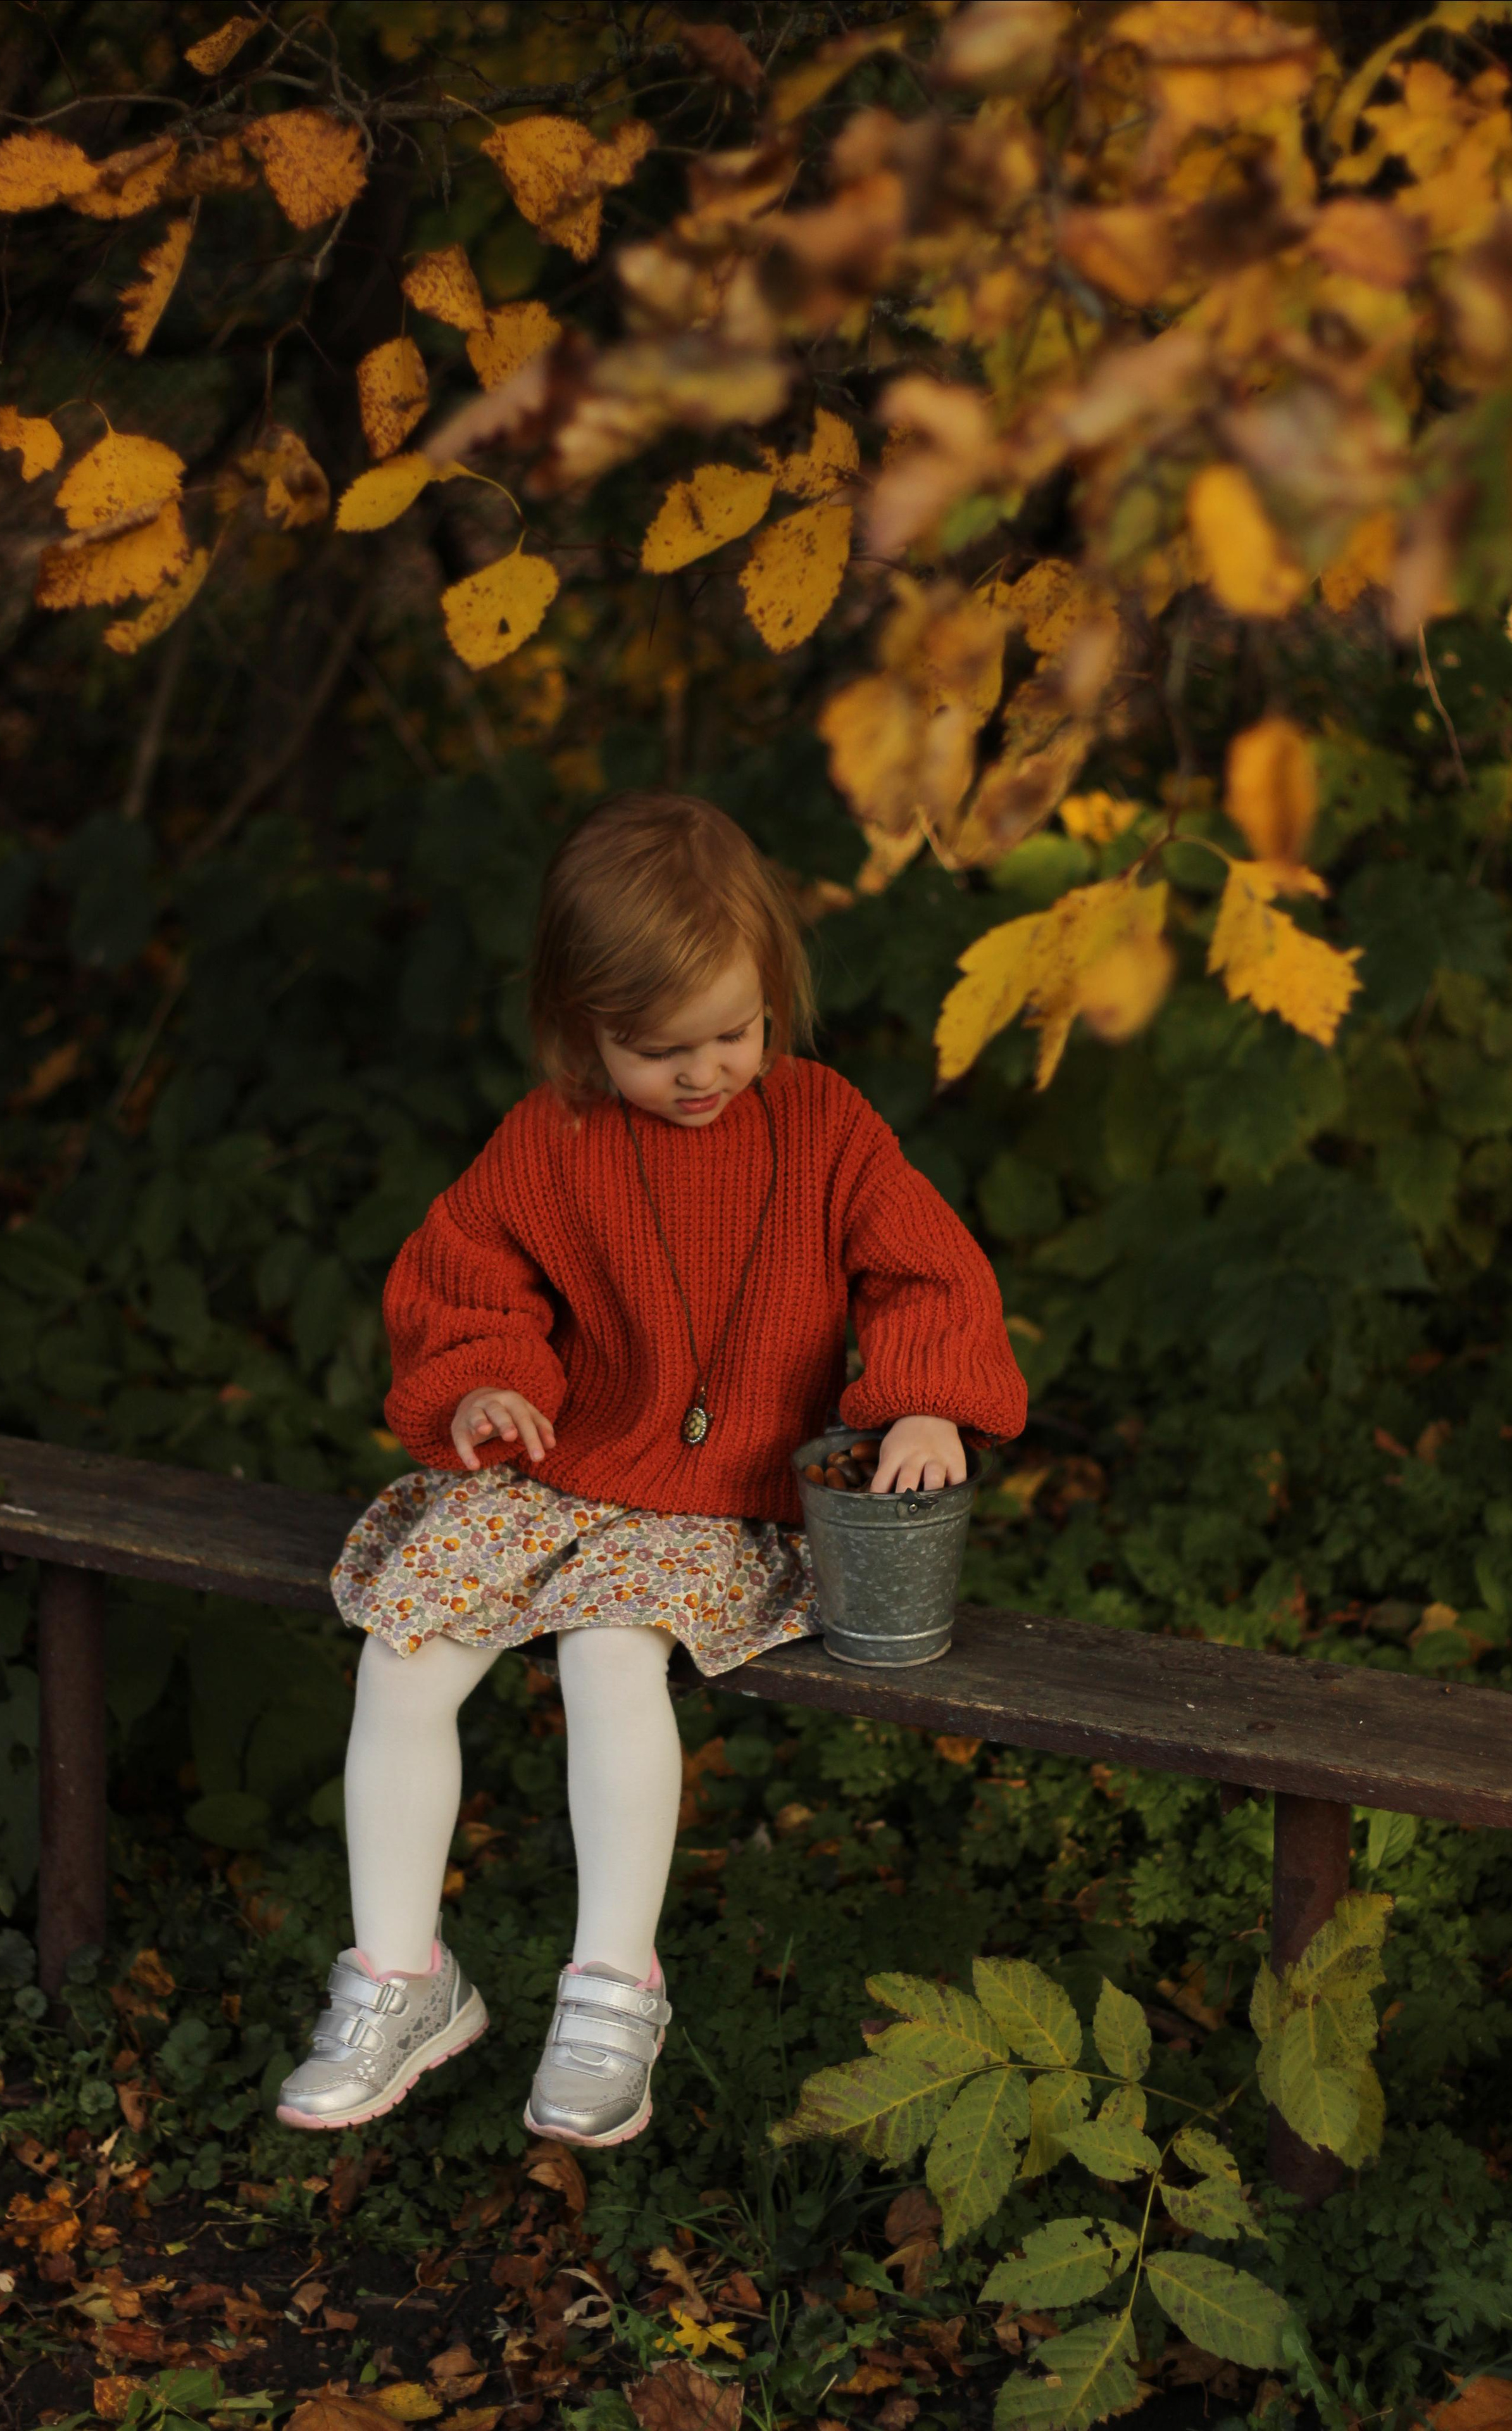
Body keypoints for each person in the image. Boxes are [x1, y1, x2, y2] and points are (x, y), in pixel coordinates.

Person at [276, 791, 1027, 2146]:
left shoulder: (824, 1128)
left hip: (722, 1498)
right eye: (656, 1049)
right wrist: (486, 1384)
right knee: (404, 1638)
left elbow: (922, 1265)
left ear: (773, 997)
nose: (702, 1074)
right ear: (580, 1031)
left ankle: (613, 1986)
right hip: (563, 1470)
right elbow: (465, 1277)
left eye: (731, 1034)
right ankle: (403, 1975)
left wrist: (922, 1405)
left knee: (609, 1651)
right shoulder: (551, 1139)